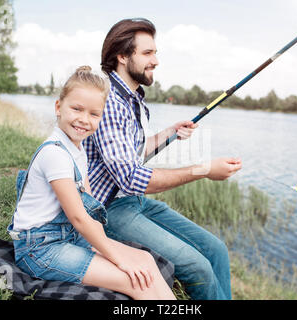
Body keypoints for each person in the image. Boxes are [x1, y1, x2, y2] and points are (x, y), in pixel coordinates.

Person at [83, 18, 242, 300]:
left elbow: (130, 153)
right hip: (107, 210)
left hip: (132, 201)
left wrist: (169, 134)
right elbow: (131, 178)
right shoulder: (108, 101)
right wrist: (204, 170)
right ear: (122, 56)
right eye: (147, 53)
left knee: (216, 250)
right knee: (199, 267)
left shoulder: (132, 98)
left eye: (155, 53)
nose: (155, 61)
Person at [7, 66, 176, 300]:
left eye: (94, 114)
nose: (84, 120)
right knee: (136, 280)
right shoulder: (54, 154)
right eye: (77, 109)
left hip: (68, 237)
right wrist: (118, 259)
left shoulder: (78, 150)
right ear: (58, 107)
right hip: (40, 249)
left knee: (145, 261)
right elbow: (78, 218)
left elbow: (90, 208)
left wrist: (110, 249)